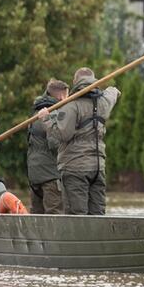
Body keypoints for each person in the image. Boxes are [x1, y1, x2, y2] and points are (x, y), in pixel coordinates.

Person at [39, 67, 120, 215]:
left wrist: (46, 118)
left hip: (74, 168)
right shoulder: (104, 103)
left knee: (77, 216)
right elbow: (113, 92)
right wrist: (113, 89)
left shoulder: (71, 106)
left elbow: (62, 134)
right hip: (97, 168)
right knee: (98, 215)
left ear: (75, 82)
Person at [27, 79, 69, 214]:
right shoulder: (55, 114)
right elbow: (55, 144)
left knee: (36, 217)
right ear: (62, 96)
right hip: (50, 176)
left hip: (34, 174)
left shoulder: (35, 114)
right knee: (54, 216)